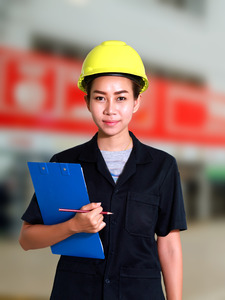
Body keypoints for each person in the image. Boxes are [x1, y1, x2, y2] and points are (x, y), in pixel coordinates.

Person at [19, 40, 187, 300]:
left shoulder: (162, 167)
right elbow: (27, 239)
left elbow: (169, 245)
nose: (110, 109)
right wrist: (73, 226)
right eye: (100, 98)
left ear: (136, 102)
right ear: (87, 102)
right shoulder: (64, 164)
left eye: (121, 98)